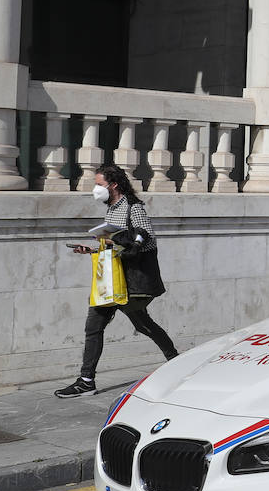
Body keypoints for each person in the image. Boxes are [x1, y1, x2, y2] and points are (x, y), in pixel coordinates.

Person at [55, 165, 178, 399]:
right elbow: (113, 245)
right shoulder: (111, 209)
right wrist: (91, 249)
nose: (96, 189)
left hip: (129, 280)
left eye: (99, 184)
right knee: (112, 326)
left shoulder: (133, 207)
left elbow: (145, 236)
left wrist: (118, 239)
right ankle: (87, 380)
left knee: (139, 325)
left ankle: (175, 361)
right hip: (112, 278)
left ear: (113, 185)